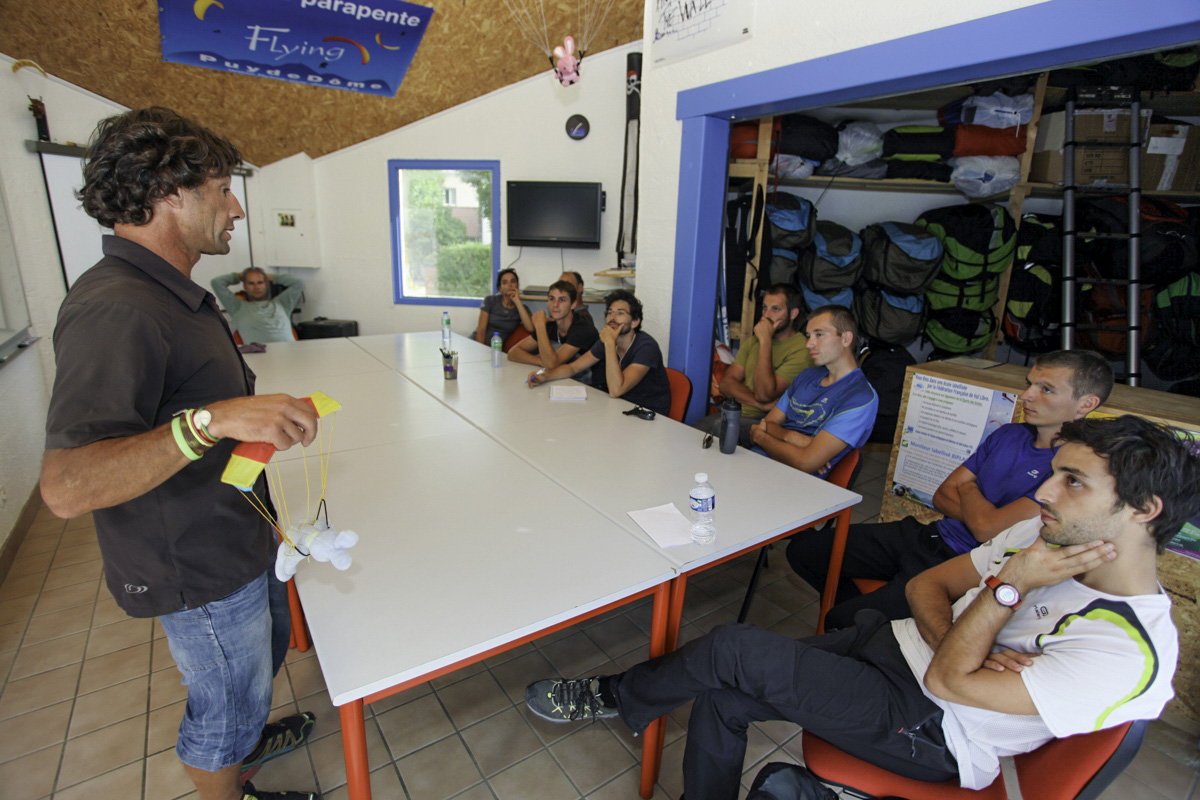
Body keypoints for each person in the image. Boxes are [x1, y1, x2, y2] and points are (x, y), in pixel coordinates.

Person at [526, 415, 1196, 800]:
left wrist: (1004, 593)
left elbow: (946, 686)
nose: (1044, 492)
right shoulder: (1039, 534)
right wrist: (968, 637)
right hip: (899, 648)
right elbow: (925, 587)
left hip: (935, 727)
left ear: (1144, 511)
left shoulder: (1126, 649)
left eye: (1071, 481)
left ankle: (612, 695)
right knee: (726, 696)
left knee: (734, 647)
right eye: (1054, 470)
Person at [39, 108, 319, 800]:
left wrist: (249, 418)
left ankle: (247, 743)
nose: (236, 208)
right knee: (221, 712)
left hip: (235, 535)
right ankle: (228, 772)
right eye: (223, 189)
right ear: (171, 190)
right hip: (196, 568)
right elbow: (67, 486)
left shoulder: (172, 293)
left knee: (252, 680)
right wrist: (215, 418)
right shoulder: (119, 309)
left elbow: (193, 416)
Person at [791, 349, 1114, 630]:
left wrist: (970, 490)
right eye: (1029, 384)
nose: (1027, 395)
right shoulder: (1009, 434)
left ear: (1085, 403)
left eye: (1046, 389)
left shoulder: (1069, 469)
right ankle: (868, 622)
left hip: (965, 564)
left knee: (841, 621)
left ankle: (861, 624)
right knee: (805, 550)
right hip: (929, 535)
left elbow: (988, 528)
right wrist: (981, 513)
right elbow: (943, 494)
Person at [749, 304, 877, 478]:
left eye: (819, 335)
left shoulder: (860, 397)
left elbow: (805, 463)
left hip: (793, 484)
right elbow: (769, 422)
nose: (809, 344)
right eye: (809, 336)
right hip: (760, 463)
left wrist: (761, 437)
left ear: (846, 339)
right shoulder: (807, 375)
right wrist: (796, 439)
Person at [693, 284, 813, 448]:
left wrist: (765, 341)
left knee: (718, 429)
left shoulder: (801, 350)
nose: (767, 315)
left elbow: (764, 394)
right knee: (691, 432)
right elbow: (726, 384)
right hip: (734, 411)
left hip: (766, 421)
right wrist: (757, 402)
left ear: (793, 314)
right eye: (765, 308)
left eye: (776, 309)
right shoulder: (753, 341)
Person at [527, 289, 671, 416]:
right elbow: (573, 367)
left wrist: (609, 344)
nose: (612, 318)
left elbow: (616, 390)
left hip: (648, 415)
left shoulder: (646, 347)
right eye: (610, 313)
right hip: (620, 408)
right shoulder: (607, 340)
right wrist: (545, 376)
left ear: (634, 322)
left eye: (620, 313)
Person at [507, 279, 598, 369]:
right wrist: (539, 361)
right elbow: (513, 353)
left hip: (588, 382)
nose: (555, 304)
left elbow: (551, 364)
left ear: (573, 304)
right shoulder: (550, 325)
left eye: (562, 300)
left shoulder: (583, 329)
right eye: (551, 299)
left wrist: (540, 326)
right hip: (561, 379)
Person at [211, 267, 305, 343]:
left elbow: (299, 283)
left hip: (290, 354)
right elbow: (217, 283)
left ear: (267, 284)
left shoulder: (282, 304)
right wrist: (239, 276)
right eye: (251, 283)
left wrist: (270, 276)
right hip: (259, 358)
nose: (256, 287)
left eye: (260, 282)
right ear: (245, 286)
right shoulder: (237, 307)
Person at [474, 267, 533, 345]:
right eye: (505, 283)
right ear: (500, 288)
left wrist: (517, 301)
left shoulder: (522, 308)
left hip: (496, 348)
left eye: (513, 281)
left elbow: (530, 328)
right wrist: (480, 351)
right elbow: (481, 331)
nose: (510, 285)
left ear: (517, 285)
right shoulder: (490, 301)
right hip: (477, 344)